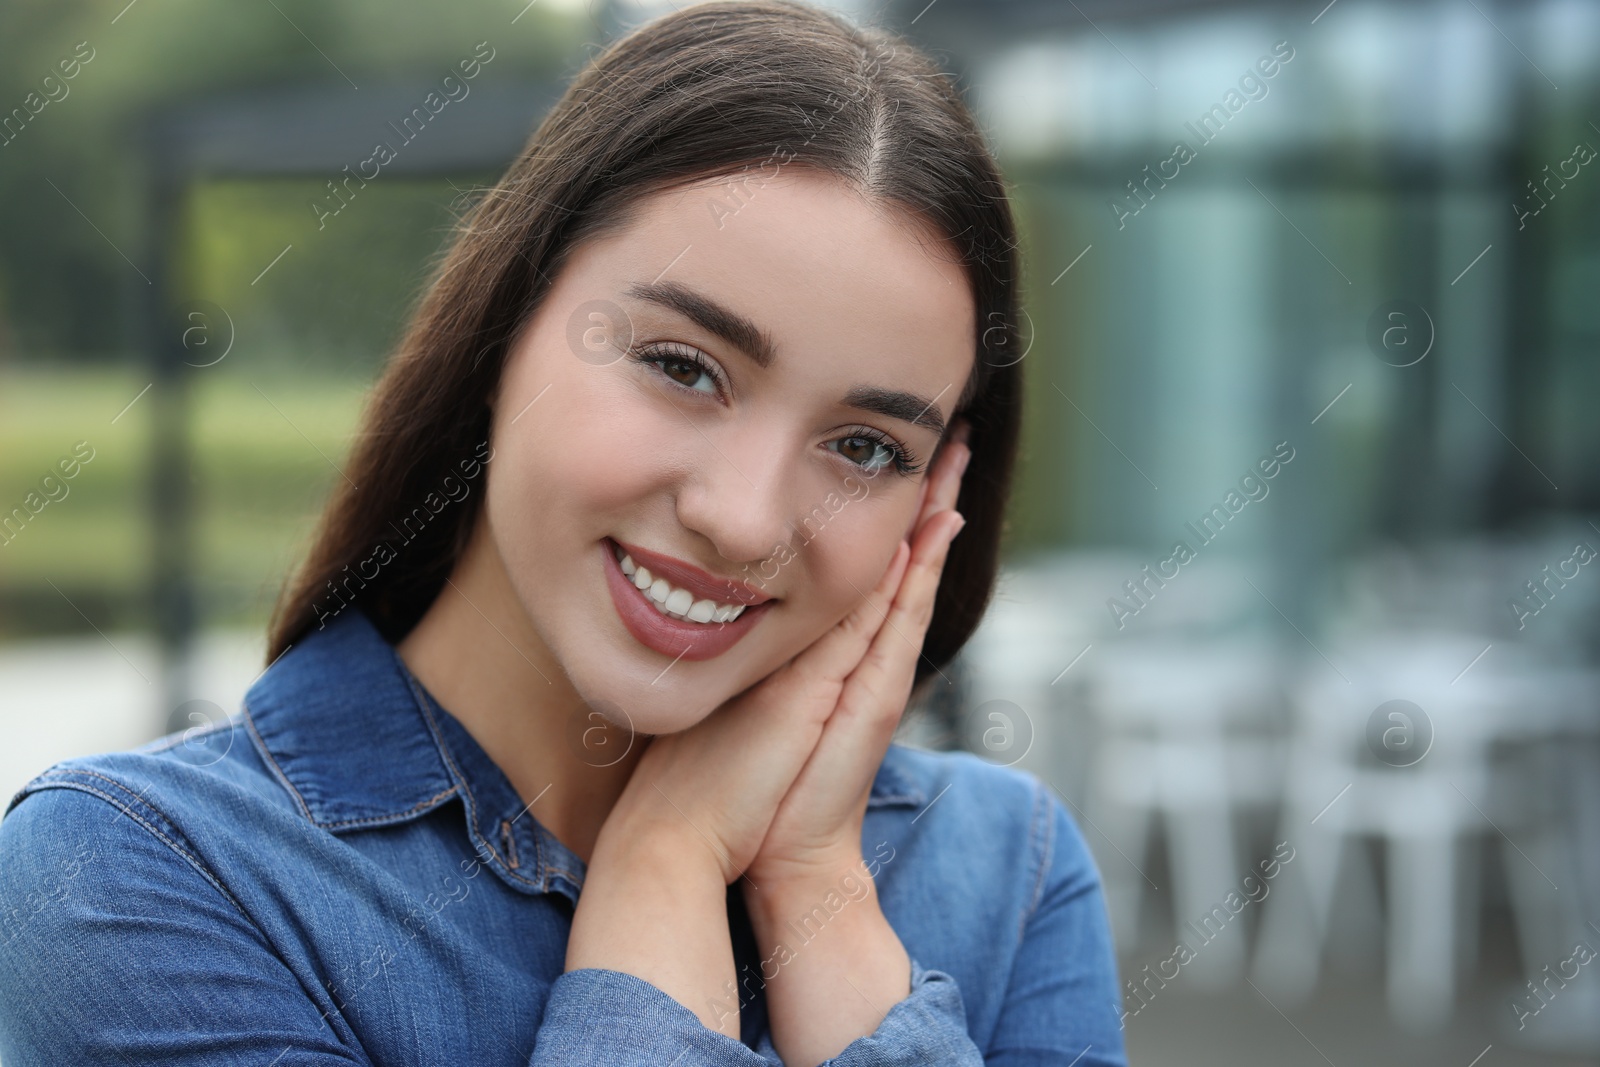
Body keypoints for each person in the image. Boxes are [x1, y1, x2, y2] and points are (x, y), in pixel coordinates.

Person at [0, 1, 1125, 1063]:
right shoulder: (137, 874)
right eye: (683, 367)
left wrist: (813, 885)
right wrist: (659, 869)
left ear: (933, 502)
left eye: (867, 447)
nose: (740, 517)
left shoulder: (1005, 869)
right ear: (504, 330)